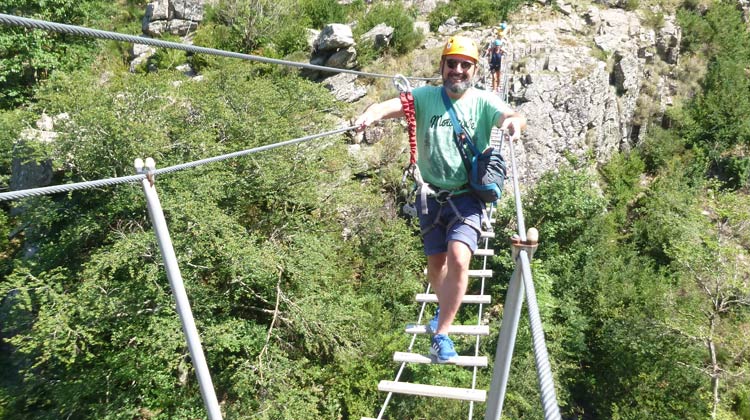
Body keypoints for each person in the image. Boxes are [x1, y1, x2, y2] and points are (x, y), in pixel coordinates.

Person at [354, 35, 526, 363]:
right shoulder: (425, 97)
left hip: (466, 197)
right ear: (442, 66)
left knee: (459, 259)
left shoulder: (482, 101)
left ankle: (442, 333)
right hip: (430, 196)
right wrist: (371, 114)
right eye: (452, 63)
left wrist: (513, 125)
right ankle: (442, 305)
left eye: (465, 65)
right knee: (437, 265)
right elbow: (389, 107)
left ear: (474, 70)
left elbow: (511, 116)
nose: (458, 70)